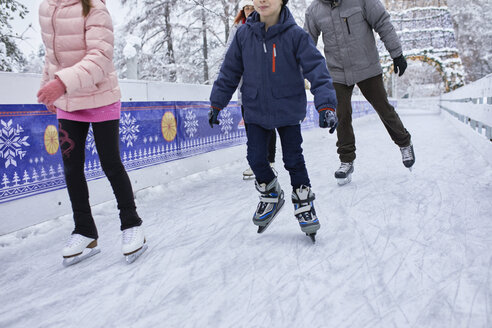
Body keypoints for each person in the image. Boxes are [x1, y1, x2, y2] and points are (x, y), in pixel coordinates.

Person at [209, 0, 338, 242]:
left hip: (288, 108)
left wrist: (326, 105)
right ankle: (270, 192)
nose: (262, 0)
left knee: (293, 159)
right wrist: (217, 103)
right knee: (256, 157)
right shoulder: (243, 35)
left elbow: (318, 71)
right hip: (255, 108)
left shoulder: (296, 35)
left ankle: (303, 201)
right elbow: (229, 71)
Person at [37, 0, 147, 265]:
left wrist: (61, 83)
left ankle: (132, 224)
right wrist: (48, 86)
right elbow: (52, 57)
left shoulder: (94, 7)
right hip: (68, 101)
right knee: (71, 168)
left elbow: (100, 58)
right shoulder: (47, 7)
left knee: (110, 163)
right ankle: (85, 230)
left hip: (101, 97)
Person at [304, 0, 416, 185]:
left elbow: (382, 22)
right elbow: (306, 44)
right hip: (337, 72)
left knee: (383, 108)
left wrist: (396, 53)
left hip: (367, 67)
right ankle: (346, 160)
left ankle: (404, 143)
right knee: (342, 114)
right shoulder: (314, 10)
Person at [225, 0, 277, 180]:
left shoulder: (267, 24)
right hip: (245, 86)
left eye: (251, 8)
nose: (248, 11)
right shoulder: (237, 29)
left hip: (266, 83)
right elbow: (228, 56)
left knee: (268, 123)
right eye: (245, 9)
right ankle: (256, 163)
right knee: (251, 124)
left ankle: (269, 161)